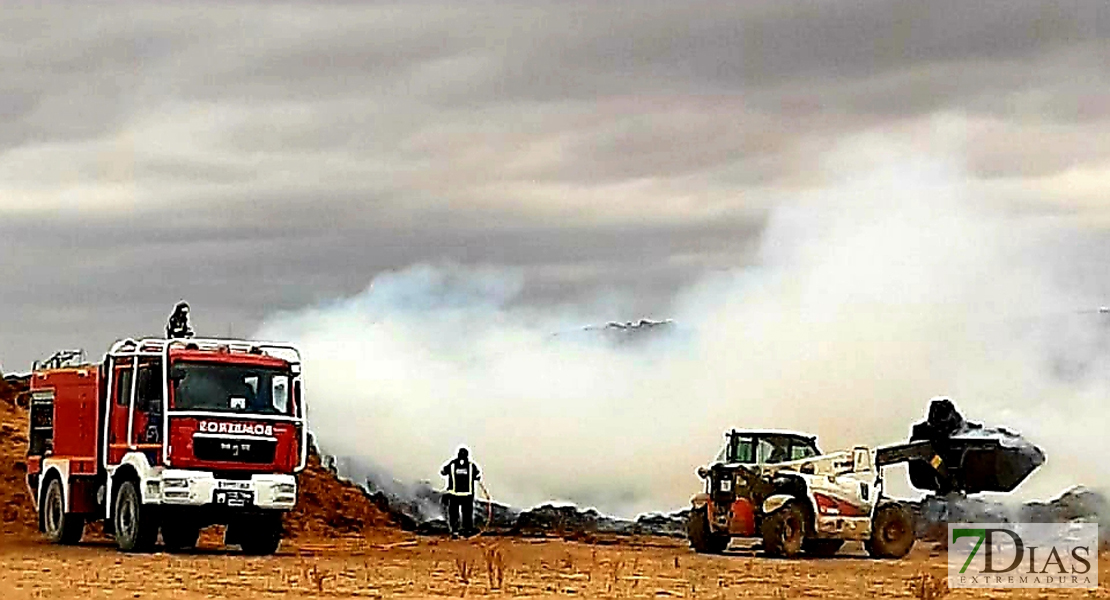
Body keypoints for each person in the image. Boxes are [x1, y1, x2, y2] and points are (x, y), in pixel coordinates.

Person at [441, 447, 481, 538]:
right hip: (467, 495)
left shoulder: (452, 464)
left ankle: (454, 531)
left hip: (454, 494)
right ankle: (467, 530)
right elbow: (477, 476)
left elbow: (443, 472)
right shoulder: (471, 466)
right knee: (467, 513)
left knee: (454, 514)